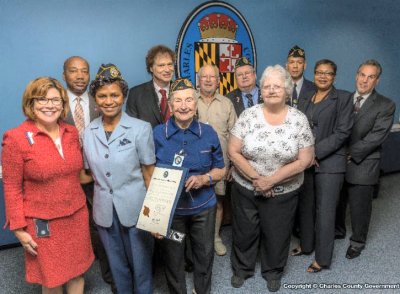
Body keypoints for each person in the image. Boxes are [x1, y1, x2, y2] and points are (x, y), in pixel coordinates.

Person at [2, 77, 94, 293]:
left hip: (76, 216)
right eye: (42, 99)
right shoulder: (15, 139)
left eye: (55, 100)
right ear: (31, 103)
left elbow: (77, 174)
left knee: (78, 272)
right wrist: (19, 228)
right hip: (44, 223)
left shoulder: (71, 133)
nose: (49, 105)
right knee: (52, 279)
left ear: (63, 104)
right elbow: (11, 187)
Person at [228, 65, 314, 292]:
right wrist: (258, 179)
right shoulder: (248, 115)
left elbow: (305, 159)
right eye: (267, 86)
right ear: (261, 90)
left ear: (287, 90)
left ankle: (273, 271)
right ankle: (242, 269)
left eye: (277, 86)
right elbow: (233, 150)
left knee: (277, 233)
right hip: (246, 186)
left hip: (283, 192)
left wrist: (272, 180)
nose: (272, 90)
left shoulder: (299, 119)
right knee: (245, 231)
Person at [82, 64, 155, 293]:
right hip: (103, 210)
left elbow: (149, 173)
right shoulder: (88, 132)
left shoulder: (140, 129)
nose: (109, 101)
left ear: (123, 97)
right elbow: (87, 174)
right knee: (116, 264)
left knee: (141, 263)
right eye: (102, 96)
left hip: (136, 208)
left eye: (114, 95)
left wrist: (155, 216)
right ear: (95, 100)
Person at [153, 78, 225, 294]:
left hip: (203, 210)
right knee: (174, 257)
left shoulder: (209, 133)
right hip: (172, 214)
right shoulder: (157, 134)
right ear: (171, 105)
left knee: (204, 254)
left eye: (189, 100)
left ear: (196, 104)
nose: (184, 106)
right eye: (178, 101)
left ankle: (202, 290)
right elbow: (148, 175)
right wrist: (155, 218)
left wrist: (205, 179)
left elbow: (221, 170)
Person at [293, 59, 354, 273]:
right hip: (306, 164)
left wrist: (313, 153)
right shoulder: (308, 97)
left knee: (325, 213)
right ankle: (307, 245)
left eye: (328, 73)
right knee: (306, 209)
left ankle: (322, 259)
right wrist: (304, 155)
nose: (322, 76)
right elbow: (299, 128)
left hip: (330, 163)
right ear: (314, 74)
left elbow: (342, 133)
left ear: (334, 77)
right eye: (319, 72)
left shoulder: (344, 98)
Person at [62, 56, 114, 292]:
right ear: (65, 75)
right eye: (74, 71)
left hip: (98, 174)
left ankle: (110, 272)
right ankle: (69, 273)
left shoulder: (101, 100)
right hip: (67, 177)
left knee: (103, 224)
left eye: (84, 71)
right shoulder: (55, 101)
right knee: (69, 228)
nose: (80, 75)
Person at [336, 60, 395, 259]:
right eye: (362, 75)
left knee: (360, 207)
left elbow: (377, 136)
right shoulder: (343, 99)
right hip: (337, 161)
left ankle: (357, 242)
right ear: (356, 76)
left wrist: (351, 153)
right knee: (337, 200)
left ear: (377, 81)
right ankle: (339, 230)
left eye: (370, 77)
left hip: (364, 162)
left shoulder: (386, 104)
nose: (364, 80)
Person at [196, 64, 237, 256]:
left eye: (212, 77)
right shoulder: (190, 100)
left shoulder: (226, 103)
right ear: (199, 79)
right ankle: (197, 241)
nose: (208, 80)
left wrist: (232, 164)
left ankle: (215, 238)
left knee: (217, 202)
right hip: (194, 164)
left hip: (220, 163)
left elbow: (235, 135)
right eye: (204, 76)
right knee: (194, 201)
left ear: (218, 80)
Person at [126, 45, 175, 127]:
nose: (167, 70)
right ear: (151, 68)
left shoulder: (183, 91)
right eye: (161, 65)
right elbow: (132, 129)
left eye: (170, 64)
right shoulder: (136, 94)